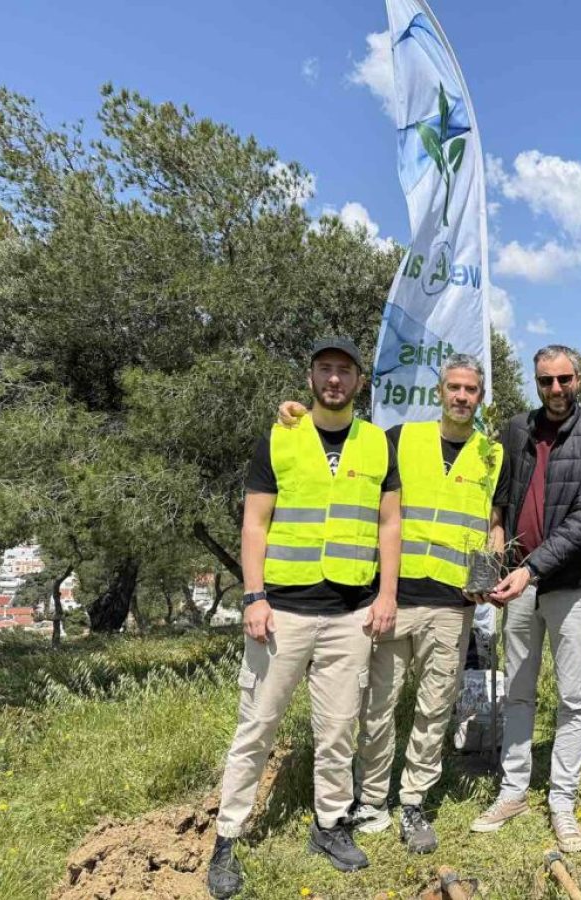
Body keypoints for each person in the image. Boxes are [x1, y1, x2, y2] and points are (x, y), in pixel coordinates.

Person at [277, 354, 508, 854]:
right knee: (377, 707)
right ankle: (372, 800)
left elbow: (494, 523)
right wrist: (298, 414)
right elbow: (348, 451)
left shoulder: (492, 454)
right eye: (454, 387)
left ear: (480, 396)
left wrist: (488, 574)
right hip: (395, 599)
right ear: (440, 391)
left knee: (435, 707)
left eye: (470, 389)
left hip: (453, 605)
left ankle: (414, 801)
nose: (461, 396)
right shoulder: (400, 439)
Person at [207, 337, 400, 900]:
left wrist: (386, 595)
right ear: (311, 377)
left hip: (350, 614)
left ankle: (330, 824)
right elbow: (255, 524)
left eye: (344, 370)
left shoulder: (376, 443)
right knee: (256, 727)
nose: (334, 379)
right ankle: (227, 836)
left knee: (338, 730)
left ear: (359, 381)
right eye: (325, 369)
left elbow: (389, 523)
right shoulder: (280, 436)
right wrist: (253, 597)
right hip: (282, 613)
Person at [469, 344, 581, 853]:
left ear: (579, 380)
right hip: (517, 585)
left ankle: (562, 801)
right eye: (546, 380)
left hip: (569, 586)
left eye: (563, 379)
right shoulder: (516, 430)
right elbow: (499, 506)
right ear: (537, 383)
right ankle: (513, 791)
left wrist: (529, 570)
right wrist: (493, 569)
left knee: (573, 697)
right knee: (518, 691)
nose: (555, 389)